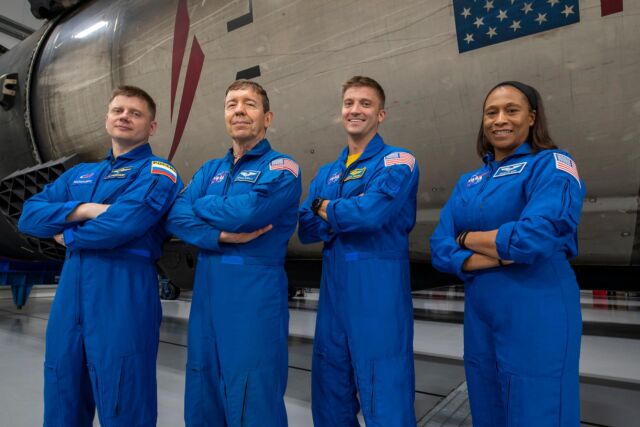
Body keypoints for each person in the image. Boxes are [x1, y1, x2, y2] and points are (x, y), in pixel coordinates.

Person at [18, 85, 182, 427]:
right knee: (63, 391)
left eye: (135, 113)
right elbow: (29, 215)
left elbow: (122, 225)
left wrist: (68, 232)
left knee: (124, 397)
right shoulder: (80, 174)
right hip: (70, 299)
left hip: (122, 294)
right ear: (107, 118)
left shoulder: (157, 172)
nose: (125, 117)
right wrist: (85, 208)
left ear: (151, 127)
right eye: (118, 110)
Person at [430, 81, 585, 427]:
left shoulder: (551, 164)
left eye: (511, 110)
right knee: (488, 407)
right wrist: (499, 254)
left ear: (531, 118)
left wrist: (466, 237)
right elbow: (440, 248)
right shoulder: (469, 181)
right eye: (491, 112)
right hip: (481, 313)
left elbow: (534, 237)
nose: (500, 119)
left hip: (536, 306)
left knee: (538, 410)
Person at [165, 80, 301, 427]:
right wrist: (219, 235)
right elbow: (176, 216)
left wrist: (203, 203)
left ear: (267, 117)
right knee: (202, 390)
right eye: (231, 104)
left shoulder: (282, 168)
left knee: (252, 393)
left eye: (249, 104)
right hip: (208, 296)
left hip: (252, 298)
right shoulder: (211, 169)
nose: (239, 110)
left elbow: (249, 213)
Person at [298, 76, 419, 426]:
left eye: (365, 104)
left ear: (381, 114)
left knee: (386, 394)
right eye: (349, 103)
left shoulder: (398, 161)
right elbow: (305, 228)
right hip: (334, 294)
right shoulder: (327, 172)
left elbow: (371, 214)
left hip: (377, 294)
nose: (356, 110)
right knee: (330, 393)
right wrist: (340, 213)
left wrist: (325, 208)